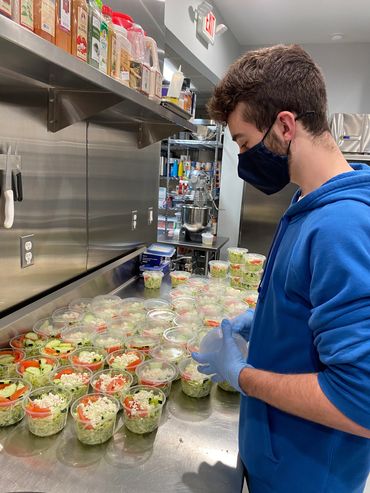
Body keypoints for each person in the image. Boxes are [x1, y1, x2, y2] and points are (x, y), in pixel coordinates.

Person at [192, 44, 370, 493]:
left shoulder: (341, 226)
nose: (244, 159)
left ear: (285, 126)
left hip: (307, 478)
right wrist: (267, 319)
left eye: (245, 143)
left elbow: (360, 404)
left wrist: (243, 376)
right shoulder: (304, 205)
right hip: (275, 461)